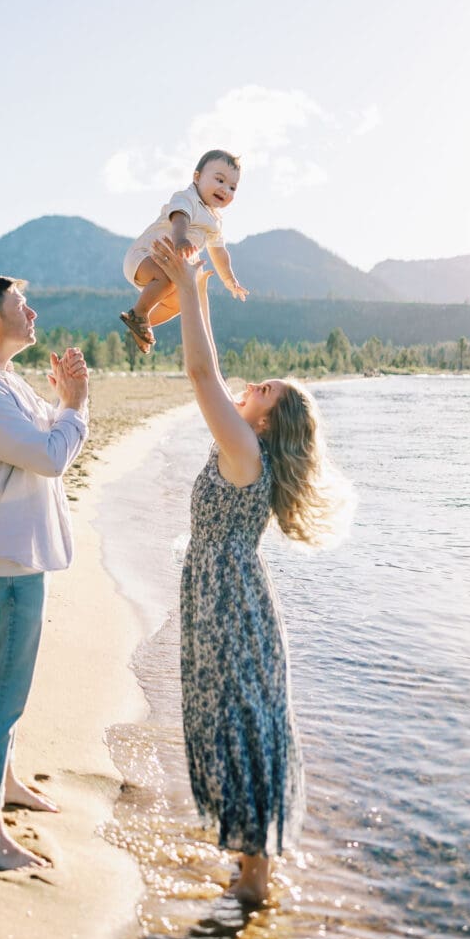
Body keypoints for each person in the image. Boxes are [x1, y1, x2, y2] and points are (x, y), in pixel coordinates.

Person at [151, 236, 353, 904]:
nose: (251, 385)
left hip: (230, 599)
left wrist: (187, 279)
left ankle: (255, 884)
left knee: (238, 722)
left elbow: (203, 376)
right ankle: (248, 871)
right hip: (223, 594)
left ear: (267, 423)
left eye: (264, 391)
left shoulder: (243, 450)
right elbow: (215, 372)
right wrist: (199, 290)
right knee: (227, 719)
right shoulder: (241, 446)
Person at [0, 275, 89, 870]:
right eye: (20, 305)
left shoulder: (1, 382)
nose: (32, 311)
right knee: (0, 696)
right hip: (3, 564)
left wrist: (65, 400)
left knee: (6, 690)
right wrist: (75, 403)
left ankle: (1, 786)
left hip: (14, 558)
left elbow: (48, 435)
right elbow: (51, 455)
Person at [119, 149, 248, 354]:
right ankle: (139, 313)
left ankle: (141, 324)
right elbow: (180, 219)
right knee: (168, 278)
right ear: (197, 177)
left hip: (165, 266)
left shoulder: (215, 221)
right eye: (219, 180)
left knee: (183, 301)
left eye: (232, 187)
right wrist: (181, 239)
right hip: (144, 257)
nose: (225, 189)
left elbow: (219, 252)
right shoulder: (187, 198)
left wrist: (229, 280)